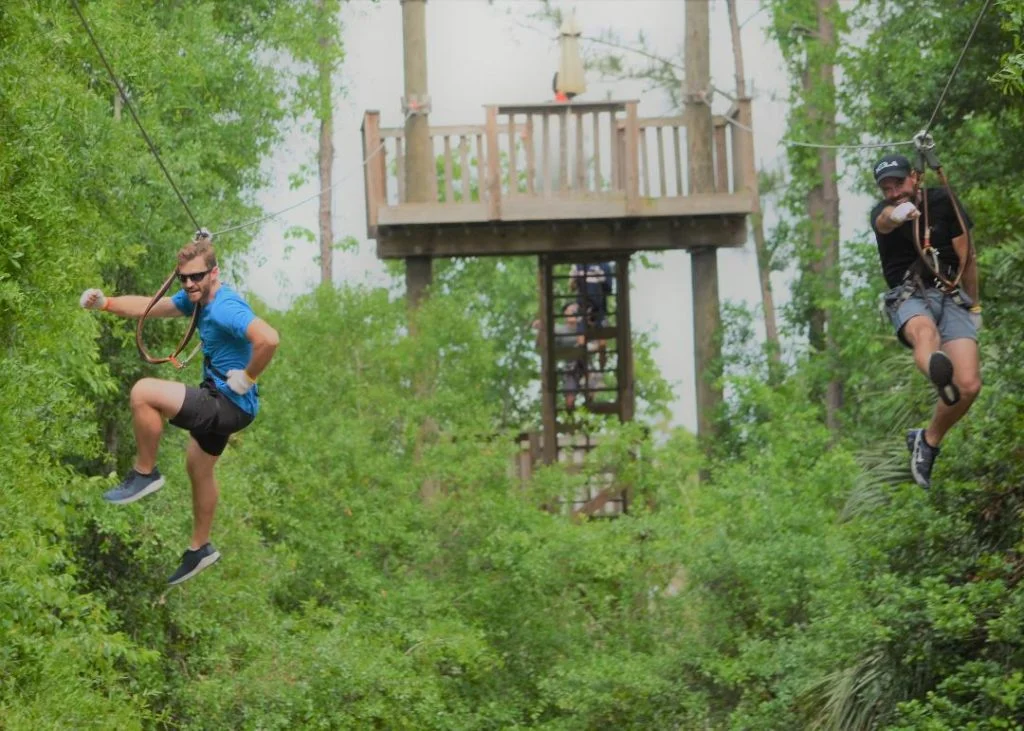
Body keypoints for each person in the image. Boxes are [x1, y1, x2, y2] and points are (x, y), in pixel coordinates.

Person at [79, 231, 279, 584]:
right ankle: (199, 548)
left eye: (197, 276)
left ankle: (145, 473)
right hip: (228, 403)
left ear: (214, 273)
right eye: (184, 277)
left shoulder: (225, 307)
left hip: (228, 402)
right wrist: (105, 303)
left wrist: (247, 378)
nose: (189, 284)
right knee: (198, 466)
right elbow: (150, 307)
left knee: (143, 392)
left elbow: (269, 339)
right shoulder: (197, 299)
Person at [871, 153, 982, 489]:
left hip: (950, 295)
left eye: (898, 183)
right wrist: (899, 212)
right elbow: (885, 221)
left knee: (970, 386)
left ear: (914, 178)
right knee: (924, 333)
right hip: (910, 296)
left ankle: (928, 440)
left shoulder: (943, 202)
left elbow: (968, 256)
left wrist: (975, 306)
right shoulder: (883, 210)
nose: (893, 192)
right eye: (885, 188)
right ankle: (936, 368)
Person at [532, 301, 586, 411]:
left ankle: (588, 403)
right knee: (569, 392)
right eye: (570, 311)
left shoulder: (585, 328)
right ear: (565, 313)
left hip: (586, 365)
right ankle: (570, 411)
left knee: (593, 383)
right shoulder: (559, 329)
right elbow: (543, 335)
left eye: (576, 311)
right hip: (571, 367)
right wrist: (540, 326)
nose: (573, 313)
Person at [569, 261, 614, 377]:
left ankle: (602, 368)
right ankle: (585, 371)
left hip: (599, 308)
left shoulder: (605, 266)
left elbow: (609, 289)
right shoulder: (578, 265)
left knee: (602, 344)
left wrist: (597, 279)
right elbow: (571, 287)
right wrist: (573, 280)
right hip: (583, 307)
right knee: (581, 342)